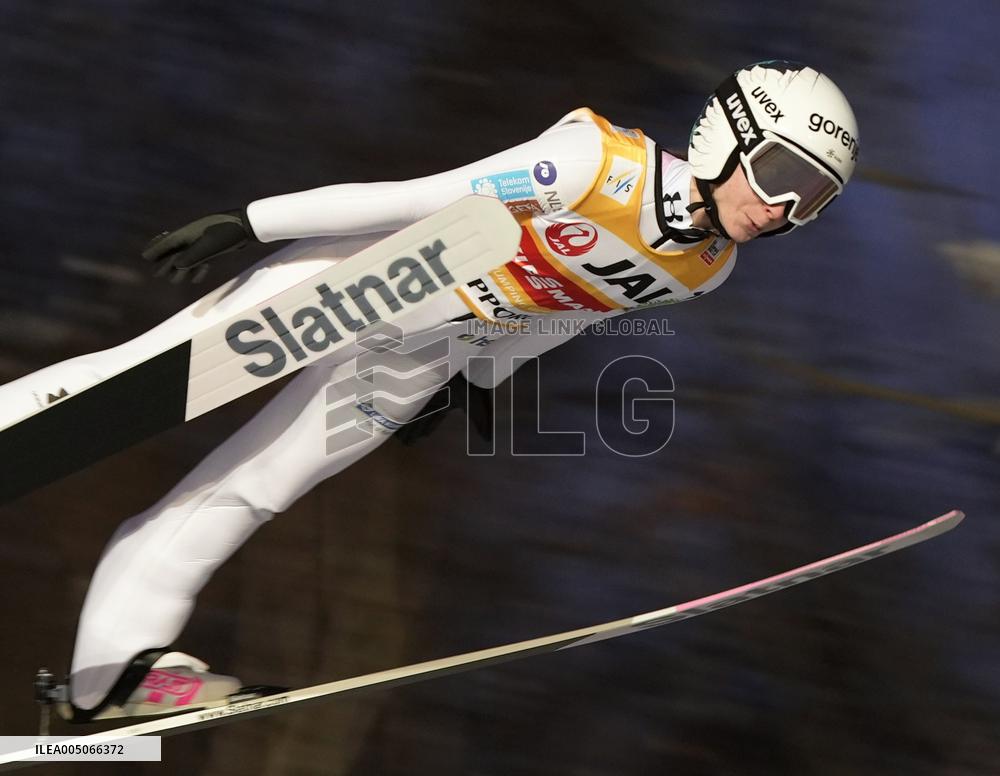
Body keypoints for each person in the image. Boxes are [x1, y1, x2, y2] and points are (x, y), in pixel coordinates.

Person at [0, 61, 859, 721]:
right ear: (731, 132)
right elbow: (416, 198)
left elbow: (568, 315)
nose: (785, 207)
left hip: (430, 352)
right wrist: (254, 221)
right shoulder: (598, 162)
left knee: (254, 489)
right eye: (783, 173)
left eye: (813, 197)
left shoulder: (705, 269)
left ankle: (113, 676)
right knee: (141, 378)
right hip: (370, 276)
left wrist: (476, 382)